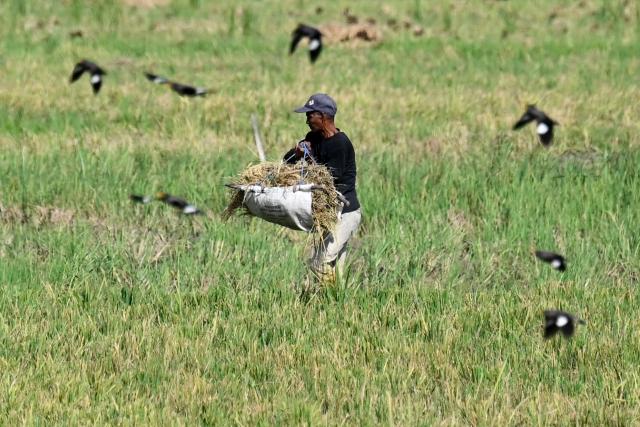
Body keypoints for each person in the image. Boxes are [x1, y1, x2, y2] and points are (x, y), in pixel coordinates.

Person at [283, 93, 361, 284]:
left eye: (310, 115)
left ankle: (328, 297)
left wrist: (309, 160)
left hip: (345, 214)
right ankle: (336, 302)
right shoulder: (313, 138)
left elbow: (329, 179)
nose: (307, 120)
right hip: (329, 214)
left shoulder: (341, 144)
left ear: (323, 117)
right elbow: (287, 161)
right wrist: (297, 152)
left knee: (320, 261)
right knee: (336, 267)